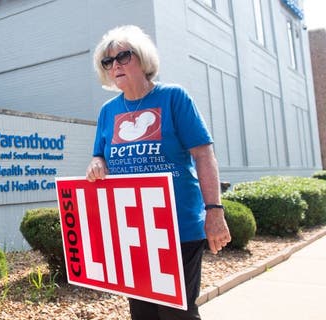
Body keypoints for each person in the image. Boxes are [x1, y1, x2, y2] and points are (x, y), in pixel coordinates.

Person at [86, 25, 231, 320]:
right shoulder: (107, 112)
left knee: (176, 313)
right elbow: (99, 154)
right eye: (108, 61)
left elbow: (203, 154)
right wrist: (97, 162)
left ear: (142, 58)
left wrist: (214, 210)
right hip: (134, 232)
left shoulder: (174, 98)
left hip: (179, 227)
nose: (115, 65)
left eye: (123, 56)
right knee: (142, 313)